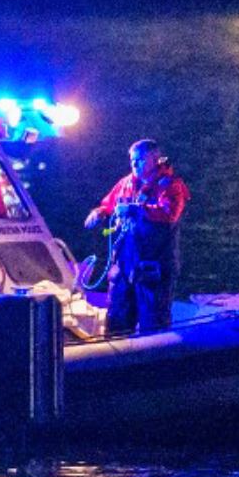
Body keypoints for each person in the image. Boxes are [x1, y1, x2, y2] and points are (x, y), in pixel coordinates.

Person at [84, 138, 189, 335]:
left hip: (153, 266)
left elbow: (169, 214)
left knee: (154, 321)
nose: (134, 164)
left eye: (140, 159)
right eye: (132, 160)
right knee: (117, 318)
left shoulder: (170, 186)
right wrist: (99, 213)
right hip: (124, 265)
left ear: (154, 159)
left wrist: (136, 210)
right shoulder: (125, 184)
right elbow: (109, 204)